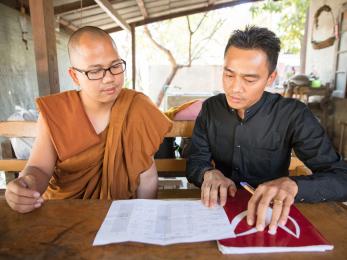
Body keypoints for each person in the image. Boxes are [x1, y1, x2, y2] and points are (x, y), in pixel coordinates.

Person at [187, 26, 347, 234]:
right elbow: (195, 161)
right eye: (229, 75)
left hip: (272, 217)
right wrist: (207, 173)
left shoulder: (293, 115)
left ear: (270, 78)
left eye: (249, 79)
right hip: (219, 212)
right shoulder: (211, 109)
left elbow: (342, 177)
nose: (235, 88)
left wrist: (294, 185)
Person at [5, 26, 172, 213]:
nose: (109, 78)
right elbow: (39, 168)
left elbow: (146, 175)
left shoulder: (137, 107)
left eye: (115, 66)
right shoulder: (58, 112)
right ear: (74, 76)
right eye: (95, 71)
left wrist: (145, 218)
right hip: (65, 213)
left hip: (120, 215)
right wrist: (28, 184)